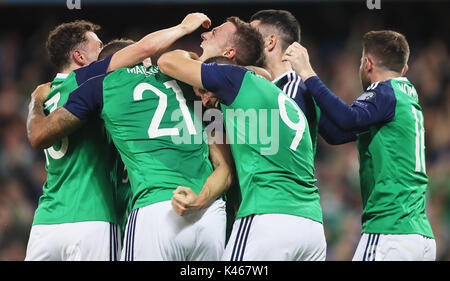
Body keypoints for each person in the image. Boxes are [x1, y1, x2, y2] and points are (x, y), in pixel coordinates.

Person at [26, 13, 235, 261]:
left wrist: (36, 100)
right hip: (209, 212)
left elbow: (38, 135)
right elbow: (226, 165)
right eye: (99, 45)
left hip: (146, 207)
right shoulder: (189, 83)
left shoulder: (93, 88)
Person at [157, 49, 327, 260]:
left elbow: (167, 61)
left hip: (268, 216)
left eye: (202, 90)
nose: (204, 101)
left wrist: (195, 56)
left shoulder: (233, 79)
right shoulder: (283, 102)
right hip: (312, 226)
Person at [283, 30, 436, 261]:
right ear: (403, 69)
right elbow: (337, 134)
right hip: (418, 235)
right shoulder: (404, 98)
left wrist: (307, 74)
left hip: (389, 230)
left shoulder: (385, 91)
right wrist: (305, 94)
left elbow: (347, 118)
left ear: (368, 63)